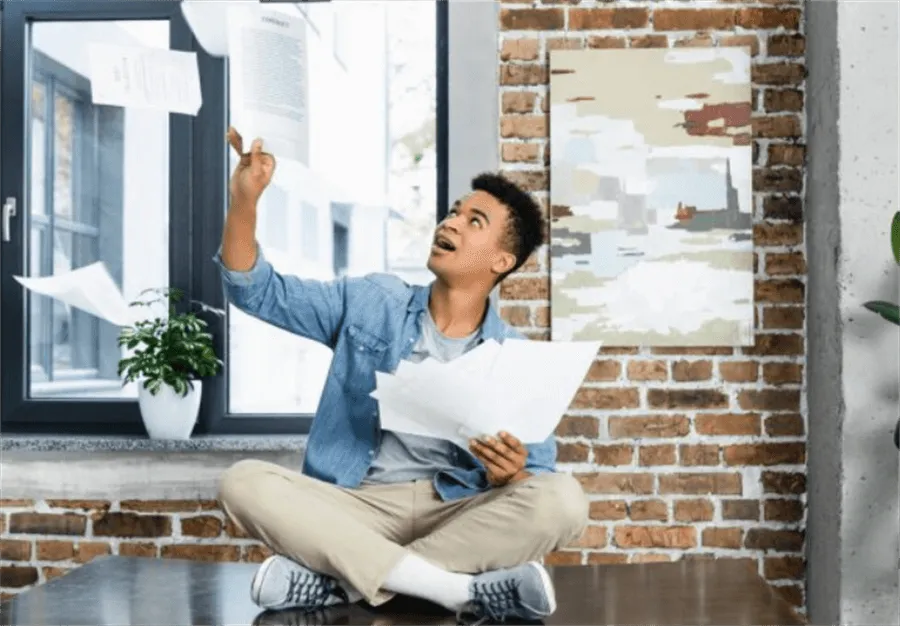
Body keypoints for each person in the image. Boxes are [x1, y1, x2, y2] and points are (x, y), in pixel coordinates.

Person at [215, 128, 589, 624]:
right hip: (354, 506)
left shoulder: (515, 358)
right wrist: (244, 201)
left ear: (501, 261)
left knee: (564, 500)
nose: (451, 222)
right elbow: (255, 291)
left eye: (473, 220)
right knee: (243, 483)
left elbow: (533, 483)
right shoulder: (373, 300)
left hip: (456, 510)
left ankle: (341, 583)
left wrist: (510, 474)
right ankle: (455, 591)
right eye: (455, 211)